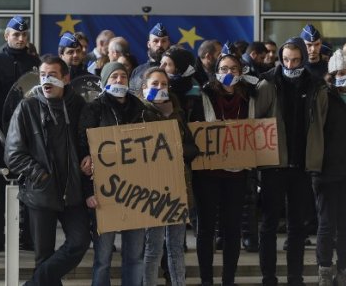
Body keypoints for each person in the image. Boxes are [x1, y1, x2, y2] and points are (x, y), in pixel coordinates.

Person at [5, 55, 90, 286]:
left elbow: (89, 141)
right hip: (41, 192)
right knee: (43, 256)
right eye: (43, 76)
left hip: (73, 191)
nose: (46, 80)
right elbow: (13, 155)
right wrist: (40, 175)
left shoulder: (79, 106)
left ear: (66, 78)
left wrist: (89, 157)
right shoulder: (27, 107)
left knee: (80, 241)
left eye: (52, 75)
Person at [255, 36, 328, 286]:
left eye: (296, 60)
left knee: (297, 226)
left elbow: (321, 121)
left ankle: (295, 277)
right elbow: (255, 121)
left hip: (301, 165)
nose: (290, 64)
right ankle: (268, 277)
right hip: (273, 165)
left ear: (304, 60)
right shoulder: (267, 83)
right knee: (268, 224)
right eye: (286, 59)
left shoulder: (316, 85)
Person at [189, 50, 261, 286]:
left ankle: (228, 279)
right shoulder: (203, 95)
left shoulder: (250, 97)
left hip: (237, 173)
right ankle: (206, 280)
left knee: (232, 230)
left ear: (241, 72)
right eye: (223, 69)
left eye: (233, 69)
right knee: (206, 229)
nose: (228, 73)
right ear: (216, 72)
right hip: (207, 174)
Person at [79, 62, 155, 286]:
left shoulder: (142, 110)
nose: (119, 81)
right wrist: (87, 192)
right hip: (105, 192)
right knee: (102, 258)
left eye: (123, 76)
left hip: (137, 192)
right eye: (114, 77)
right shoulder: (93, 109)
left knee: (134, 256)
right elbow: (83, 153)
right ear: (104, 81)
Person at [0, 15, 39, 252]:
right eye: (16, 34)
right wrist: (0, 124)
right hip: (2, 133)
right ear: (7, 36)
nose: (21, 38)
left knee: (30, 182)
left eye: (24, 34)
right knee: (0, 182)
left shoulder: (35, 62)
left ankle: (27, 235)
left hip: (31, 133)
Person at [140, 67, 198, 286]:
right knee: (153, 247)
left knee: (175, 246)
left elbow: (192, 148)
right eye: (154, 84)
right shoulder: (138, 113)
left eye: (163, 84)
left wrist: (169, 116)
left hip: (177, 185)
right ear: (144, 88)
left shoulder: (177, 111)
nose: (160, 88)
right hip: (150, 189)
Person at [313, 50, 346, 286]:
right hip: (325, 173)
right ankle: (324, 269)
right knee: (325, 225)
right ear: (331, 75)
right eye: (340, 73)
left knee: (345, 227)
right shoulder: (323, 98)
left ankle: (344, 270)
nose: (345, 77)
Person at [130, 23, 171, 93]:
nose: (160, 45)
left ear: (168, 43)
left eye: (163, 41)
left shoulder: (173, 71)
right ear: (149, 44)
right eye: (156, 41)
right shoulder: (137, 71)